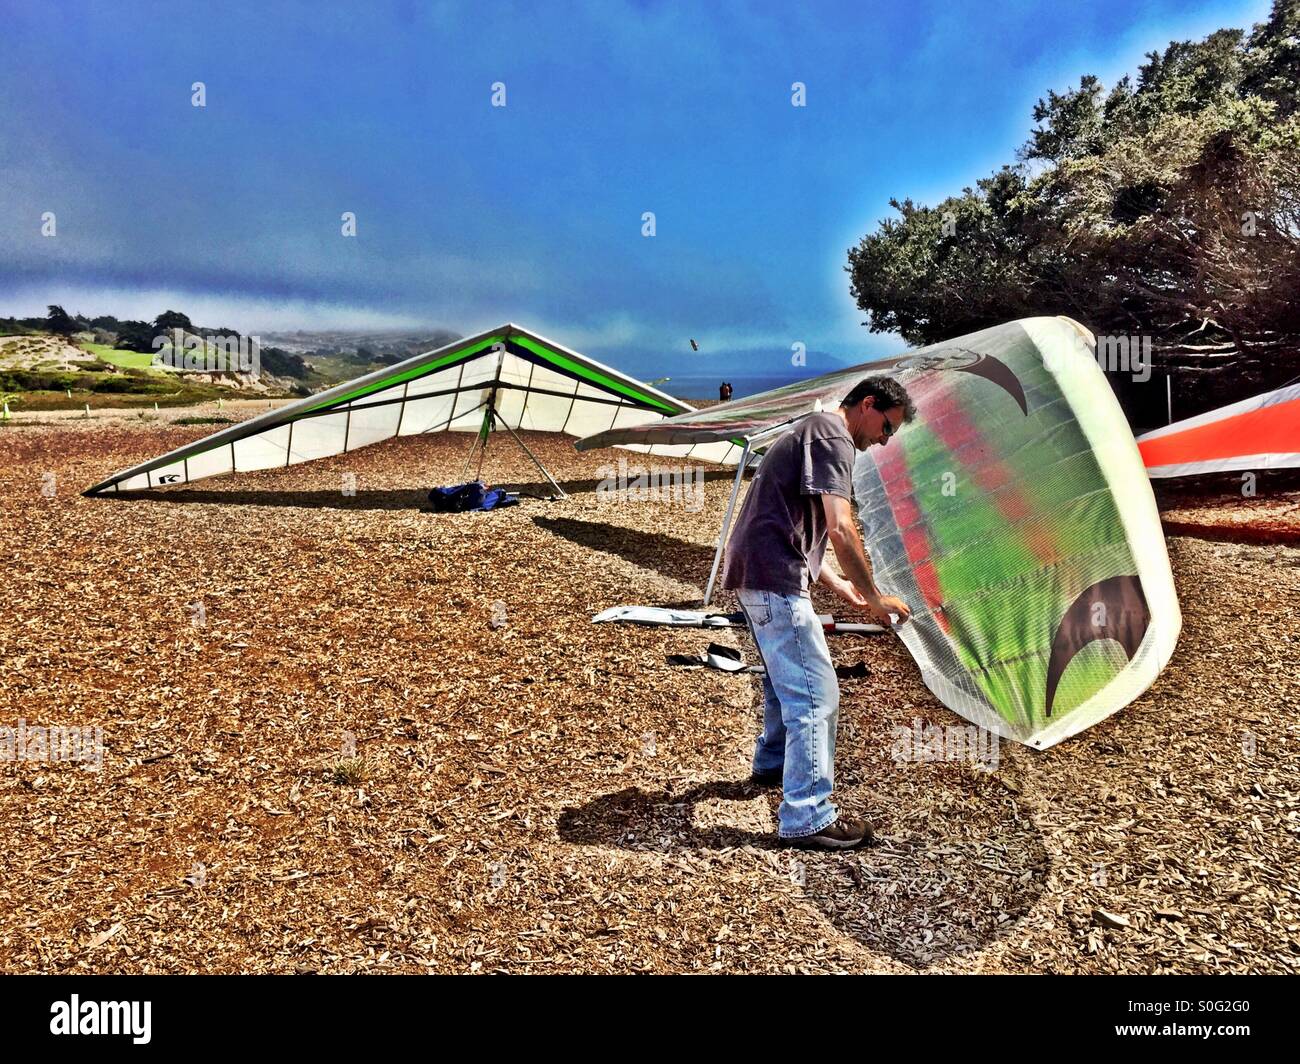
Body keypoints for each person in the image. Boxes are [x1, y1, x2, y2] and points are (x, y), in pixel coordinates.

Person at [721, 375, 914, 850]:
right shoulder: (834, 436)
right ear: (867, 405)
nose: (884, 440)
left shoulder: (814, 429)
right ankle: (808, 815)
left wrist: (840, 585)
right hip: (773, 577)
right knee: (815, 695)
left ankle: (770, 764)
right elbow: (841, 527)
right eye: (887, 427)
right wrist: (874, 598)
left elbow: (795, 527)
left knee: (781, 676)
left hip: (759, 569)